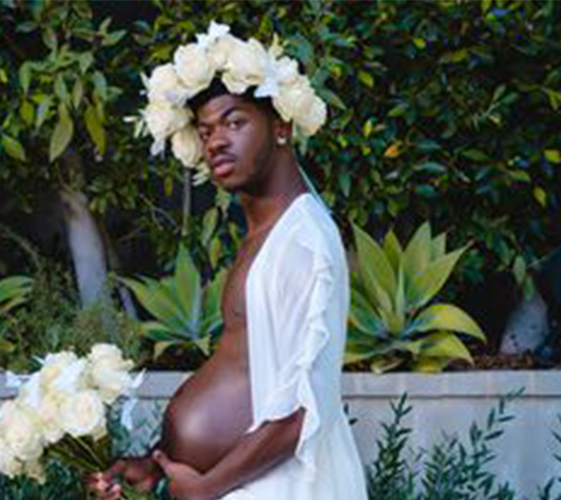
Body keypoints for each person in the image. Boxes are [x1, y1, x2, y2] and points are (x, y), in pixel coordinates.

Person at [88, 23, 367, 500]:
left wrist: (206, 486)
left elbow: (304, 410)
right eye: (206, 130)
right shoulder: (265, 234)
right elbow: (246, 375)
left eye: (235, 122)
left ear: (281, 126)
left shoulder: (305, 242)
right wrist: (158, 465)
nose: (216, 141)